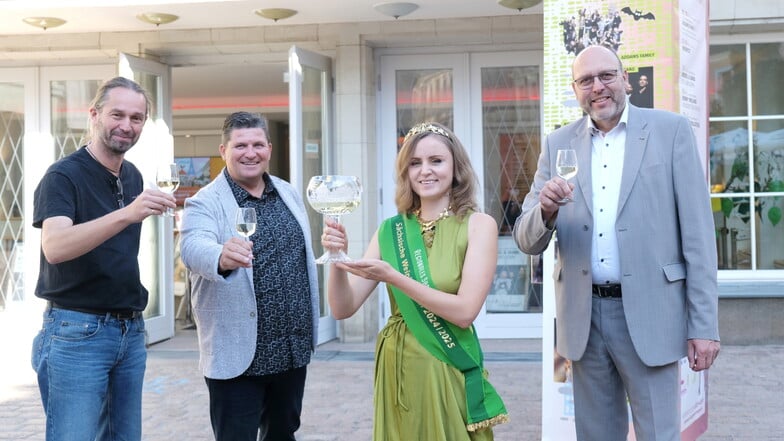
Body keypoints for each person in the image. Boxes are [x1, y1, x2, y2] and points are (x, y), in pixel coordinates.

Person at [513, 45, 720, 441]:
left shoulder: (670, 131)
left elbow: (698, 238)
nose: (598, 87)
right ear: (575, 90)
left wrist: (704, 325)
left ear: (626, 79)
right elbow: (526, 237)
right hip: (584, 319)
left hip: (651, 314)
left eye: (606, 75)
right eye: (586, 80)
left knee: (659, 434)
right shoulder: (559, 144)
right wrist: (546, 211)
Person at [321, 122, 508, 441]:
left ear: (456, 166)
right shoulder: (390, 230)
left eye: (436, 161)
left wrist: (394, 277)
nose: (426, 171)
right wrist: (337, 259)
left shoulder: (479, 225)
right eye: (415, 163)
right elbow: (343, 308)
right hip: (398, 362)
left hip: (446, 360)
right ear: (405, 172)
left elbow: (465, 311)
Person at [31, 76, 177, 440]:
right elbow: (56, 246)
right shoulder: (63, 176)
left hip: (130, 332)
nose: (127, 126)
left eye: (137, 118)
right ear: (94, 114)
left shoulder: (133, 176)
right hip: (77, 333)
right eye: (118, 115)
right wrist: (128, 213)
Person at [179, 111, 320, 441]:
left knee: (283, 435)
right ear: (224, 150)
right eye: (240, 145)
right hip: (238, 354)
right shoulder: (205, 202)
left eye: (258, 144)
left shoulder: (287, 192)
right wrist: (220, 256)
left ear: (269, 149)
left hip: (290, 349)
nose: (250, 152)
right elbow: (192, 247)